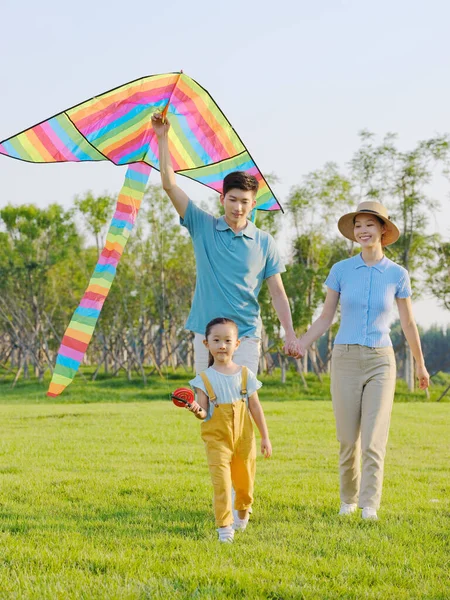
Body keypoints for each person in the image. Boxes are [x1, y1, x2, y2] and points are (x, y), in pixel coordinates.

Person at [297, 201, 430, 520]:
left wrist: (421, 365)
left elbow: (409, 324)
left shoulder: (398, 274)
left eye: (370, 224)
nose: (363, 230)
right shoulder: (341, 270)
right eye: (358, 225)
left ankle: (369, 504)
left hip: (381, 362)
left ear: (383, 230)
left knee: (373, 439)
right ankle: (348, 500)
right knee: (347, 439)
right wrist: (302, 343)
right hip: (344, 359)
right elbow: (326, 316)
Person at [151, 113, 301, 375]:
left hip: (244, 336)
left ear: (253, 204)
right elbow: (169, 185)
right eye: (233, 199)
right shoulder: (202, 225)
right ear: (222, 199)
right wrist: (163, 137)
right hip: (206, 334)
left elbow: (278, 292)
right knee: (207, 403)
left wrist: (290, 333)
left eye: (245, 201)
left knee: (239, 403)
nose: (238, 207)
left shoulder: (264, 242)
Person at [187, 317, 272, 543]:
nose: (222, 345)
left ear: (237, 344)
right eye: (216, 340)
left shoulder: (245, 374)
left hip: (244, 439)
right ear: (207, 344)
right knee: (222, 485)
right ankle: (225, 529)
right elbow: (204, 412)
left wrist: (265, 437)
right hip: (217, 440)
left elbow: (255, 406)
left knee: (245, 487)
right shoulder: (203, 379)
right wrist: (197, 410)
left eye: (227, 340)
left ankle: (242, 515)